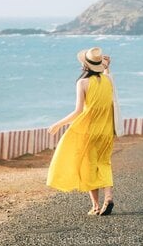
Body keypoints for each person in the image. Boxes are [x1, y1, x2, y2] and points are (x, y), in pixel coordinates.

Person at [46, 46, 123, 216]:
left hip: (88, 131)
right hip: (106, 131)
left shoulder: (83, 83)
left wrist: (58, 124)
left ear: (85, 65)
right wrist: (107, 67)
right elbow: (110, 83)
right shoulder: (108, 80)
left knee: (87, 166)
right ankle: (108, 197)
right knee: (104, 163)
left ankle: (96, 206)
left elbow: (78, 111)